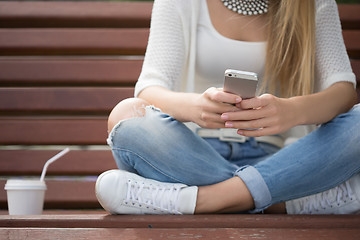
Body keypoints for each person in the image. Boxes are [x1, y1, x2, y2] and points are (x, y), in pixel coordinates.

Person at [95, 0, 360, 215]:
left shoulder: (314, 4)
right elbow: (149, 90)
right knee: (125, 115)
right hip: (193, 156)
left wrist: (291, 111)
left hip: (279, 159)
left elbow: (344, 93)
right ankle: (281, 201)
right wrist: (195, 107)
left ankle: (200, 201)